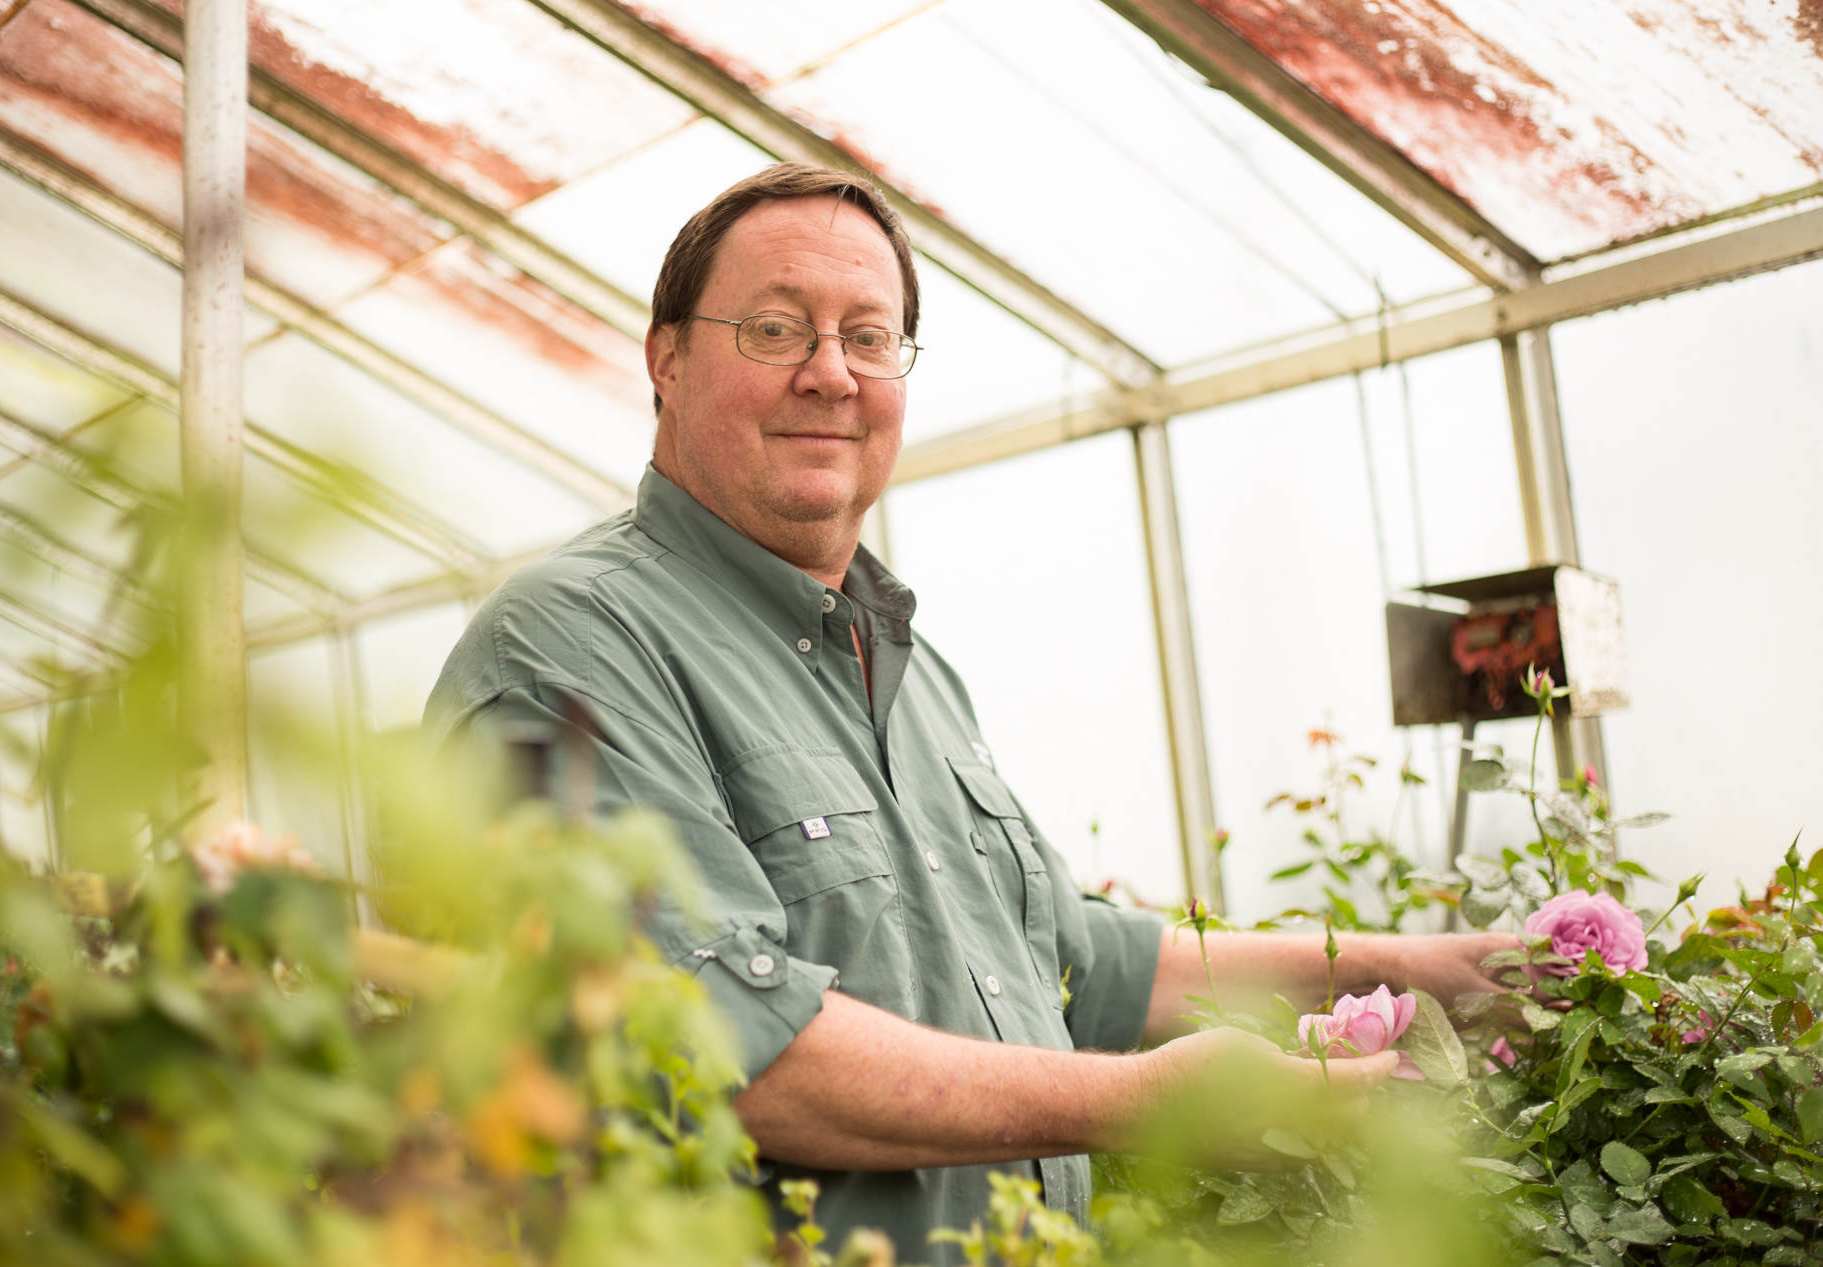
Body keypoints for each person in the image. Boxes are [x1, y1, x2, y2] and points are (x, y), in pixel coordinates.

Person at [421, 162, 1512, 1262]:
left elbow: (1070, 955)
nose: (830, 374)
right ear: (666, 359)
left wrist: (1400, 966)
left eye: (869, 336)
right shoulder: (560, 648)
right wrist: (1143, 1101)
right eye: (773, 329)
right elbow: (698, 1035)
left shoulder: (905, 663)